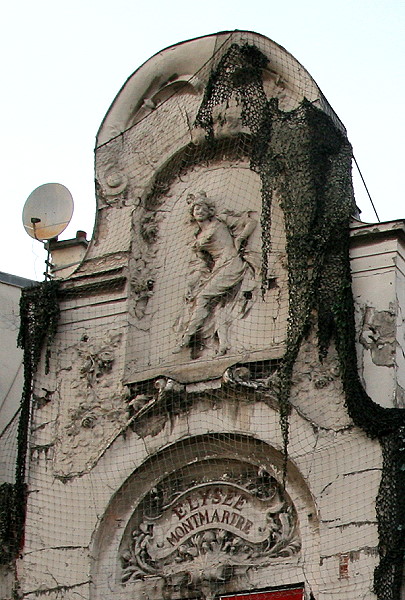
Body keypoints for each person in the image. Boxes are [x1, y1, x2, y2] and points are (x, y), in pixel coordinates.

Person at [173, 191, 257, 355]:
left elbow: (251, 223)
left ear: (210, 210)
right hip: (218, 267)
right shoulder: (197, 239)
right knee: (218, 306)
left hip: (231, 263)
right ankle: (223, 344)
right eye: (196, 208)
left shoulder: (221, 220)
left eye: (203, 207)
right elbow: (203, 265)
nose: (199, 211)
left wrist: (240, 238)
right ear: (192, 213)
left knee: (203, 297)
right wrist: (193, 281)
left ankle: (186, 338)